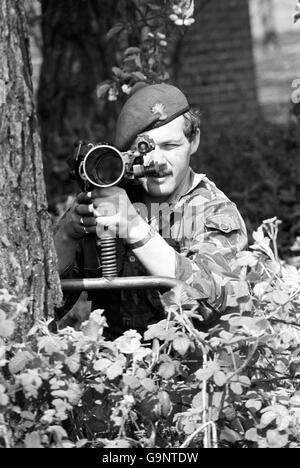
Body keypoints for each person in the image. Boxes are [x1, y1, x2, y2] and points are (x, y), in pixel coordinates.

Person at [54, 83, 248, 339]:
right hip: (114, 363)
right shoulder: (106, 203)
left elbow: (213, 306)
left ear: (194, 140)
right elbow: (43, 306)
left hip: (187, 365)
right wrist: (67, 236)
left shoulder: (212, 210)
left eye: (170, 146)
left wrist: (134, 228)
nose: (157, 162)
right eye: (144, 150)